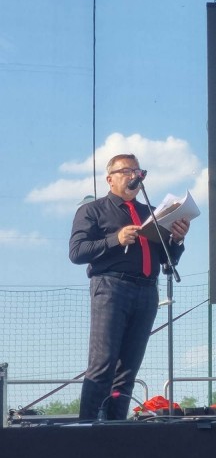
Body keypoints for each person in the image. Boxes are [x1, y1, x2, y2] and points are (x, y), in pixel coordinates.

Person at [69, 154, 190, 420]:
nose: (134, 175)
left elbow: (167, 258)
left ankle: (116, 430)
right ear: (109, 179)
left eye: (137, 171)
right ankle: (87, 430)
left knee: (127, 372)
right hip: (111, 288)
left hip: (147, 292)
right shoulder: (93, 211)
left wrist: (177, 239)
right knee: (103, 365)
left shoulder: (151, 213)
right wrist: (116, 238)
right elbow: (77, 252)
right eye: (126, 171)